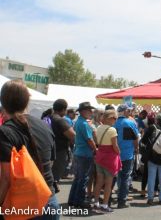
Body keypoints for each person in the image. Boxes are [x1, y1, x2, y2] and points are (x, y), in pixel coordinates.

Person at [0, 80, 59, 219]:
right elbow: (50, 163)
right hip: (49, 200)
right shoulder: (44, 125)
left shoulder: (4, 132)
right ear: (27, 102)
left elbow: (6, 179)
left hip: (22, 205)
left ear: (3, 103)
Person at [68, 102, 97, 208]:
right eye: (89, 110)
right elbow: (89, 139)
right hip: (85, 154)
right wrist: (95, 149)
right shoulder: (84, 124)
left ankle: (73, 199)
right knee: (83, 178)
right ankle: (79, 201)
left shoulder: (78, 122)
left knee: (78, 178)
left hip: (79, 152)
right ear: (83, 111)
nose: (91, 112)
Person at [93, 109, 121, 213]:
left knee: (99, 181)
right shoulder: (112, 130)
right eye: (115, 118)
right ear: (110, 118)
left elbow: (96, 141)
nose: (115, 120)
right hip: (109, 158)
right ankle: (104, 205)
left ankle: (96, 203)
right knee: (108, 183)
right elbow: (115, 146)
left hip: (99, 156)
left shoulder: (99, 127)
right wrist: (119, 152)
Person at [114, 104, 139, 208]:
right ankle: (122, 200)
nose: (129, 113)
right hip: (127, 154)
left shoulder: (114, 123)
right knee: (125, 176)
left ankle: (113, 197)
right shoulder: (129, 123)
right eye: (128, 111)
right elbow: (135, 138)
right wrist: (136, 149)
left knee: (117, 176)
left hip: (115, 153)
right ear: (124, 112)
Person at [51, 99, 75, 193]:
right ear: (64, 109)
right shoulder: (59, 120)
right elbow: (72, 135)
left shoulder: (48, 117)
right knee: (53, 177)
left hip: (49, 150)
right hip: (59, 151)